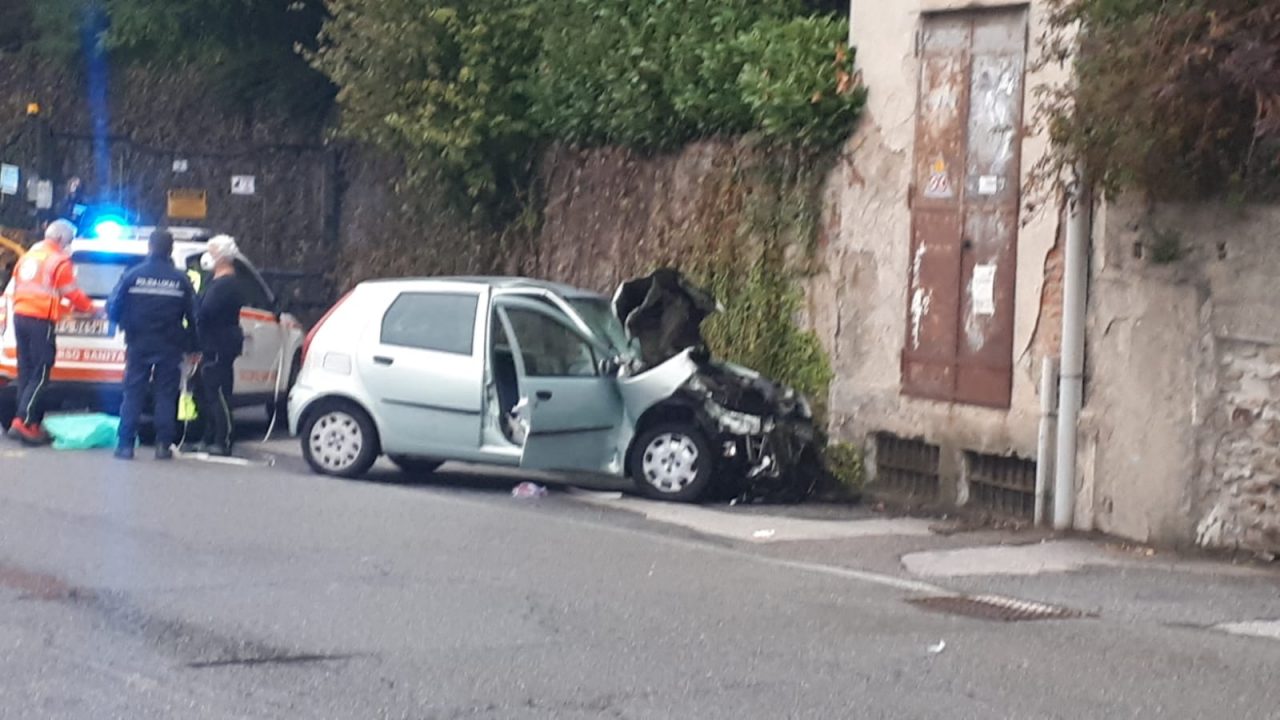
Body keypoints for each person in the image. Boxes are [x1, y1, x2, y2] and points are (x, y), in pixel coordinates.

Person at [108, 229, 199, 460]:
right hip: (170, 344)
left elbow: (114, 307)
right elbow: (193, 315)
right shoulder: (181, 280)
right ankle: (162, 445)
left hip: (138, 342)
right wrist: (192, 344)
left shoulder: (133, 275)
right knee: (166, 395)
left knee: (133, 393)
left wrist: (124, 324)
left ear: (150, 247)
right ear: (170, 249)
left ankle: (126, 445)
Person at [7, 220, 94, 445]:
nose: (69, 245)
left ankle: (31, 422)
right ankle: (23, 421)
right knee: (41, 370)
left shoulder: (28, 256)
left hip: (20, 316)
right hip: (40, 320)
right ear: (61, 239)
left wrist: (61, 308)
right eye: (69, 240)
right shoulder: (58, 260)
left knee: (26, 372)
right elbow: (71, 292)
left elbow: (25, 289)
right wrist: (91, 309)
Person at [194, 235, 245, 457]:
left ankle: (223, 439)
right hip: (209, 343)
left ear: (222, 257)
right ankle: (208, 436)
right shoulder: (214, 282)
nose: (208, 256)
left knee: (218, 394)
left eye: (211, 252)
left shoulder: (226, 285)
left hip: (219, 345)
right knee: (205, 393)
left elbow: (206, 311)